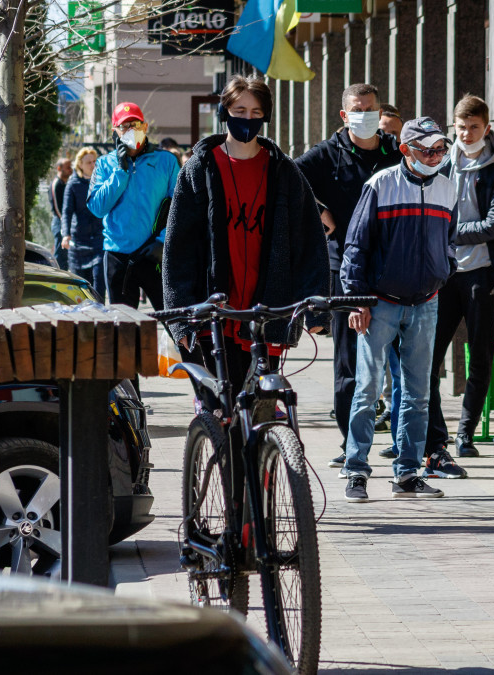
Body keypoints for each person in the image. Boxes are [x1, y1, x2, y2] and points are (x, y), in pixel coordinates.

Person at [162, 76, 328, 400]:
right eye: (240, 110)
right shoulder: (199, 168)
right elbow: (177, 248)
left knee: (263, 404)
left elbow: (309, 241)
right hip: (213, 311)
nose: (248, 119)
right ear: (225, 111)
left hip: (268, 312)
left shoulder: (284, 171)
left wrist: (317, 306)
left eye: (256, 111)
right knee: (222, 407)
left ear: (266, 115)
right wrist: (180, 318)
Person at [341, 116, 457, 501]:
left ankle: (407, 474)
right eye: (427, 150)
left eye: (440, 148)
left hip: (426, 302)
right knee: (368, 390)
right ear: (406, 150)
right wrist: (357, 299)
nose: (435, 156)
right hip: (380, 303)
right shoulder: (380, 184)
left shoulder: (447, 186)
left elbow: (451, 237)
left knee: (418, 394)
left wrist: (445, 268)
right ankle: (356, 470)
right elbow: (355, 245)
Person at [295, 83, 402, 473]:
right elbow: (291, 179)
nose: (366, 115)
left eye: (371, 108)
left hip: (395, 267)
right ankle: (349, 442)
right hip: (347, 269)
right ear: (344, 115)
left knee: (403, 363)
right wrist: (320, 213)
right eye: (358, 109)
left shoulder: (394, 150)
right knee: (348, 363)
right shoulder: (327, 154)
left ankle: (414, 448)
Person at [424, 94, 494, 468]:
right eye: (461, 127)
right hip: (444, 274)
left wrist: (447, 231)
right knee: (429, 359)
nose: (466, 133)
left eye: (474, 127)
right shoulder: (442, 165)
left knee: (479, 357)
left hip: (483, 274)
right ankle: (437, 437)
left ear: (487, 128)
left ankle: (465, 433)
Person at [88, 102, 180, 309]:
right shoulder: (104, 164)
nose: (131, 130)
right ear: (115, 131)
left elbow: (179, 206)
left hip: (155, 252)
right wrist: (119, 172)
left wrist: (163, 240)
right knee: (125, 329)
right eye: (124, 126)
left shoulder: (166, 161)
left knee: (174, 319)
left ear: (145, 127)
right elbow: (97, 208)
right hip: (118, 256)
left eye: (135, 125)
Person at [60, 148, 106, 297]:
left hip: (99, 237)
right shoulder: (73, 184)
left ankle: (100, 315)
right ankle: (83, 318)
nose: (93, 165)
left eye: (94, 161)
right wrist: (65, 234)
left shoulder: (102, 181)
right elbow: (66, 211)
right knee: (81, 285)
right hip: (79, 240)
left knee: (99, 277)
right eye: (89, 162)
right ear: (80, 164)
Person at [50, 158, 71, 270]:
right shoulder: (56, 184)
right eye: (67, 168)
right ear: (59, 168)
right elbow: (57, 208)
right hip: (59, 223)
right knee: (60, 254)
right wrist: (65, 223)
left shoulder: (65, 184)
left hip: (64, 223)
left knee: (65, 255)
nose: (70, 170)